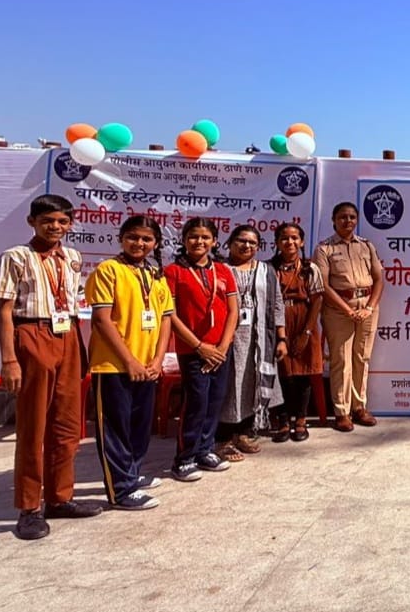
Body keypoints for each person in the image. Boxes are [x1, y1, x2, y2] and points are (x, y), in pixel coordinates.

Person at [0, 193, 102, 540]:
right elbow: (5, 311)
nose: (55, 227)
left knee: (67, 423)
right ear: (32, 222)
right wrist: (9, 359)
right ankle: (29, 508)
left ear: (70, 224)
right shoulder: (16, 257)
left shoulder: (72, 257)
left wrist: (79, 348)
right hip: (32, 333)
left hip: (67, 334)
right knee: (33, 425)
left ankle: (60, 497)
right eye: (47, 221)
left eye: (62, 221)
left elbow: (72, 305)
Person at [85, 216, 174, 510]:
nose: (139, 243)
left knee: (139, 427)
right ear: (121, 238)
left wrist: (158, 360)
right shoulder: (108, 270)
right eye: (133, 237)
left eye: (147, 239)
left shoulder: (155, 274)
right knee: (115, 430)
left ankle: (132, 474)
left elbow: (165, 319)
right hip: (114, 366)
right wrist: (130, 361)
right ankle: (121, 491)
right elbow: (101, 319)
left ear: (156, 243)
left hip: (147, 366)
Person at [165, 217, 239, 481]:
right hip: (193, 350)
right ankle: (184, 458)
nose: (199, 241)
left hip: (221, 349)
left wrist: (223, 346)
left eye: (205, 237)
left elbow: (233, 311)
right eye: (193, 237)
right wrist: (200, 347)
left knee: (215, 401)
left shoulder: (223, 270)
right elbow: (170, 314)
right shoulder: (173, 271)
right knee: (196, 402)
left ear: (215, 241)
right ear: (184, 240)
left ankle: (205, 450)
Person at [215, 225, 285, 460]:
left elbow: (277, 304)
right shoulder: (219, 269)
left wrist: (281, 338)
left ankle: (244, 432)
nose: (247, 246)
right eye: (242, 241)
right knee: (229, 386)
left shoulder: (266, 270)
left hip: (259, 338)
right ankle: (223, 438)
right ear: (230, 243)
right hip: (228, 338)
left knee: (251, 382)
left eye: (252, 243)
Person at [314, 202, 383, 432]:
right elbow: (323, 285)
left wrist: (369, 308)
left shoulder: (367, 246)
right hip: (338, 310)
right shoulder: (324, 249)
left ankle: (359, 407)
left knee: (362, 357)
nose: (348, 221)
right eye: (343, 217)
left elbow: (379, 279)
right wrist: (347, 309)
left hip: (366, 307)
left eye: (352, 217)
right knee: (341, 360)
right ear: (334, 220)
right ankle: (341, 412)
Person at [271, 222, 325, 442]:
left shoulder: (310, 268)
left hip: (304, 320)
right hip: (278, 321)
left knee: (303, 373)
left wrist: (307, 333)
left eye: (294, 238)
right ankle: (283, 420)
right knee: (281, 374)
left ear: (302, 242)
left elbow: (317, 300)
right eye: (284, 238)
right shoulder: (269, 268)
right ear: (277, 242)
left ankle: (301, 420)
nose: (290, 242)